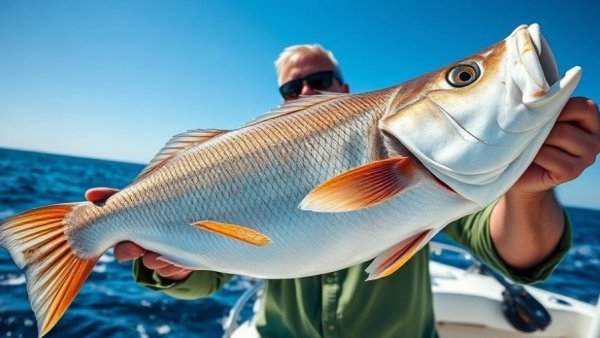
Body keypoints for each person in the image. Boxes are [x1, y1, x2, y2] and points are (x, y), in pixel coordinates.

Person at [86, 44, 600, 337]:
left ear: (345, 87)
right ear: (282, 98)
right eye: (293, 88)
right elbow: (206, 278)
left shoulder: (454, 179)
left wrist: (530, 189)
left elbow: (519, 256)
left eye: (321, 78)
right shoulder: (244, 162)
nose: (307, 91)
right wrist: (172, 266)